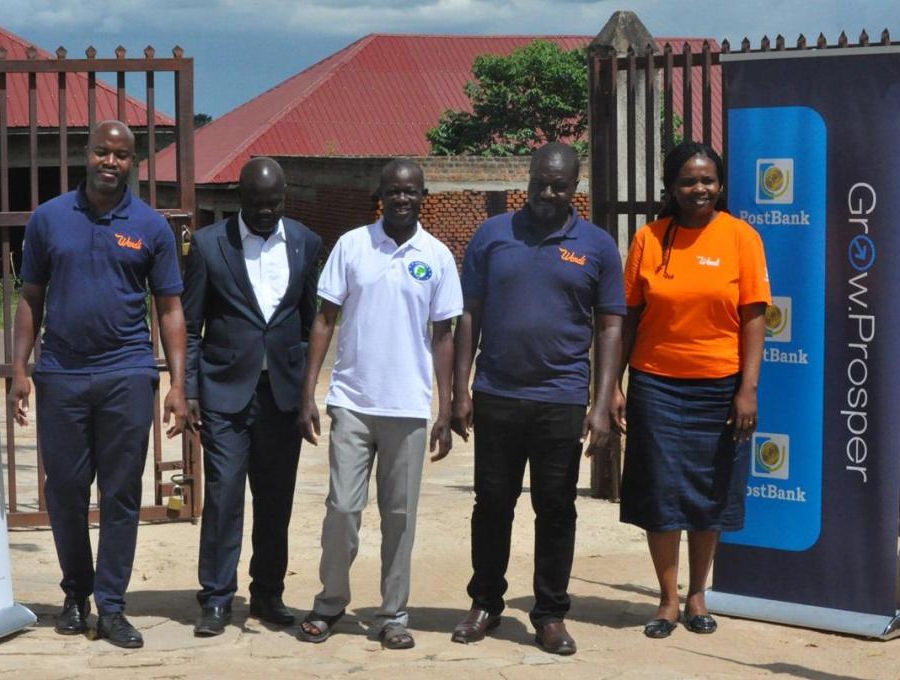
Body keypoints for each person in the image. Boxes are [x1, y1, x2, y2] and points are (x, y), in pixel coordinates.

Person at [8, 120, 189, 648]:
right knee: (63, 491)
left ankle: (111, 607)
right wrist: (20, 369)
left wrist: (177, 383)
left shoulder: (150, 226)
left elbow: (171, 308)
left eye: (122, 155)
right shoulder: (48, 219)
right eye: (102, 152)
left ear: (134, 162)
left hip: (127, 374)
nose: (111, 162)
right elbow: (29, 297)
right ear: (86, 155)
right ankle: (74, 595)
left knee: (121, 493)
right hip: (61, 373)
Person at [449, 142, 625, 656]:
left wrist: (600, 400)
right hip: (497, 393)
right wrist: (461, 389)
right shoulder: (492, 235)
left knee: (556, 508)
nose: (547, 193)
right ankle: (485, 603)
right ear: (527, 180)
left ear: (576, 187)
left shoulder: (596, 246)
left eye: (559, 185)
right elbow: (468, 315)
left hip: (561, 397)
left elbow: (610, 324)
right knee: (492, 504)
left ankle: (549, 614)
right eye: (539, 183)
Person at [296, 159, 462, 650]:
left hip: (408, 407)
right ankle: (330, 602)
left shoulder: (436, 256)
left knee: (400, 517)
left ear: (423, 195)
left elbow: (444, 333)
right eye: (395, 191)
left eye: (411, 191)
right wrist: (309, 392)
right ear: (381, 195)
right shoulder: (352, 245)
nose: (403, 198)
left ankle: (393, 614)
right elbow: (325, 319)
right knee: (342, 509)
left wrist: (446, 407)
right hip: (352, 402)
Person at [613, 141, 770, 639]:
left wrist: (748, 389)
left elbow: (754, 318)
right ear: (671, 188)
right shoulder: (649, 239)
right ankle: (665, 601)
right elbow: (629, 316)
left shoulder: (741, 238)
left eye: (707, 180)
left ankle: (698, 595)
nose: (698, 189)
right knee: (661, 493)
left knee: (709, 495)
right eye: (687, 181)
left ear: (720, 186)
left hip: (720, 388)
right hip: (655, 384)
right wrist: (613, 385)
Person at [181, 157, 322, 636]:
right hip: (224, 393)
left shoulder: (305, 242)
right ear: (240, 197)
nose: (266, 212)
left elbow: (309, 324)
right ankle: (217, 598)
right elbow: (192, 328)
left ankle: (267, 593)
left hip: (281, 397)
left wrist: (306, 393)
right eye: (257, 203)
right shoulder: (207, 245)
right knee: (223, 497)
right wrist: (191, 388)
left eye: (275, 203)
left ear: (285, 198)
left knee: (276, 499)